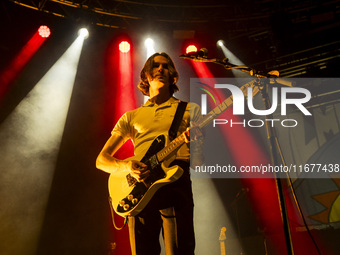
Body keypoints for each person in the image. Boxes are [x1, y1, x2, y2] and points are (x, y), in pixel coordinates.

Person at [96, 52, 203, 255]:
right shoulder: (131, 116)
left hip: (175, 185)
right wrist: (127, 166)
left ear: (173, 76)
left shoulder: (190, 109)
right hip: (139, 188)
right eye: (155, 66)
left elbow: (198, 163)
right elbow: (101, 160)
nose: (161, 69)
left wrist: (197, 144)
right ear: (146, 75)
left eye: (166, 66)